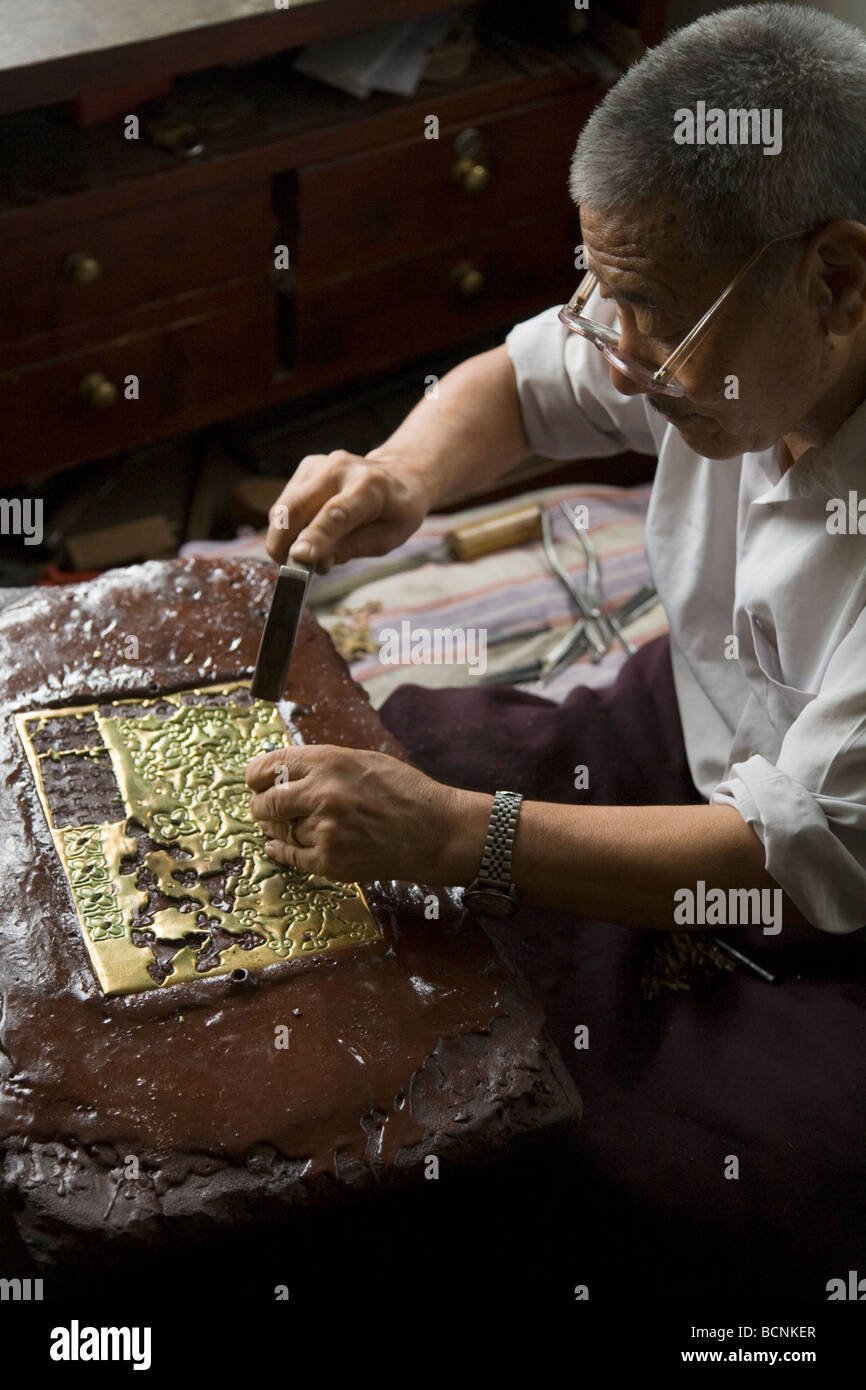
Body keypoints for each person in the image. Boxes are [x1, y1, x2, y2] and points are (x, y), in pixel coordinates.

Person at [247, 2, 866, 943]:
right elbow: (522, 386)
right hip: (693, 711)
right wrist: (402, 473)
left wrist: (459, 837)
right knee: (389, 746)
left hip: (808, 899)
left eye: (652, 312)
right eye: (606, 299)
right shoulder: (723, 346)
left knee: (518, 1044)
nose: (619, 362)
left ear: (837, 282)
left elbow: (797, 860)